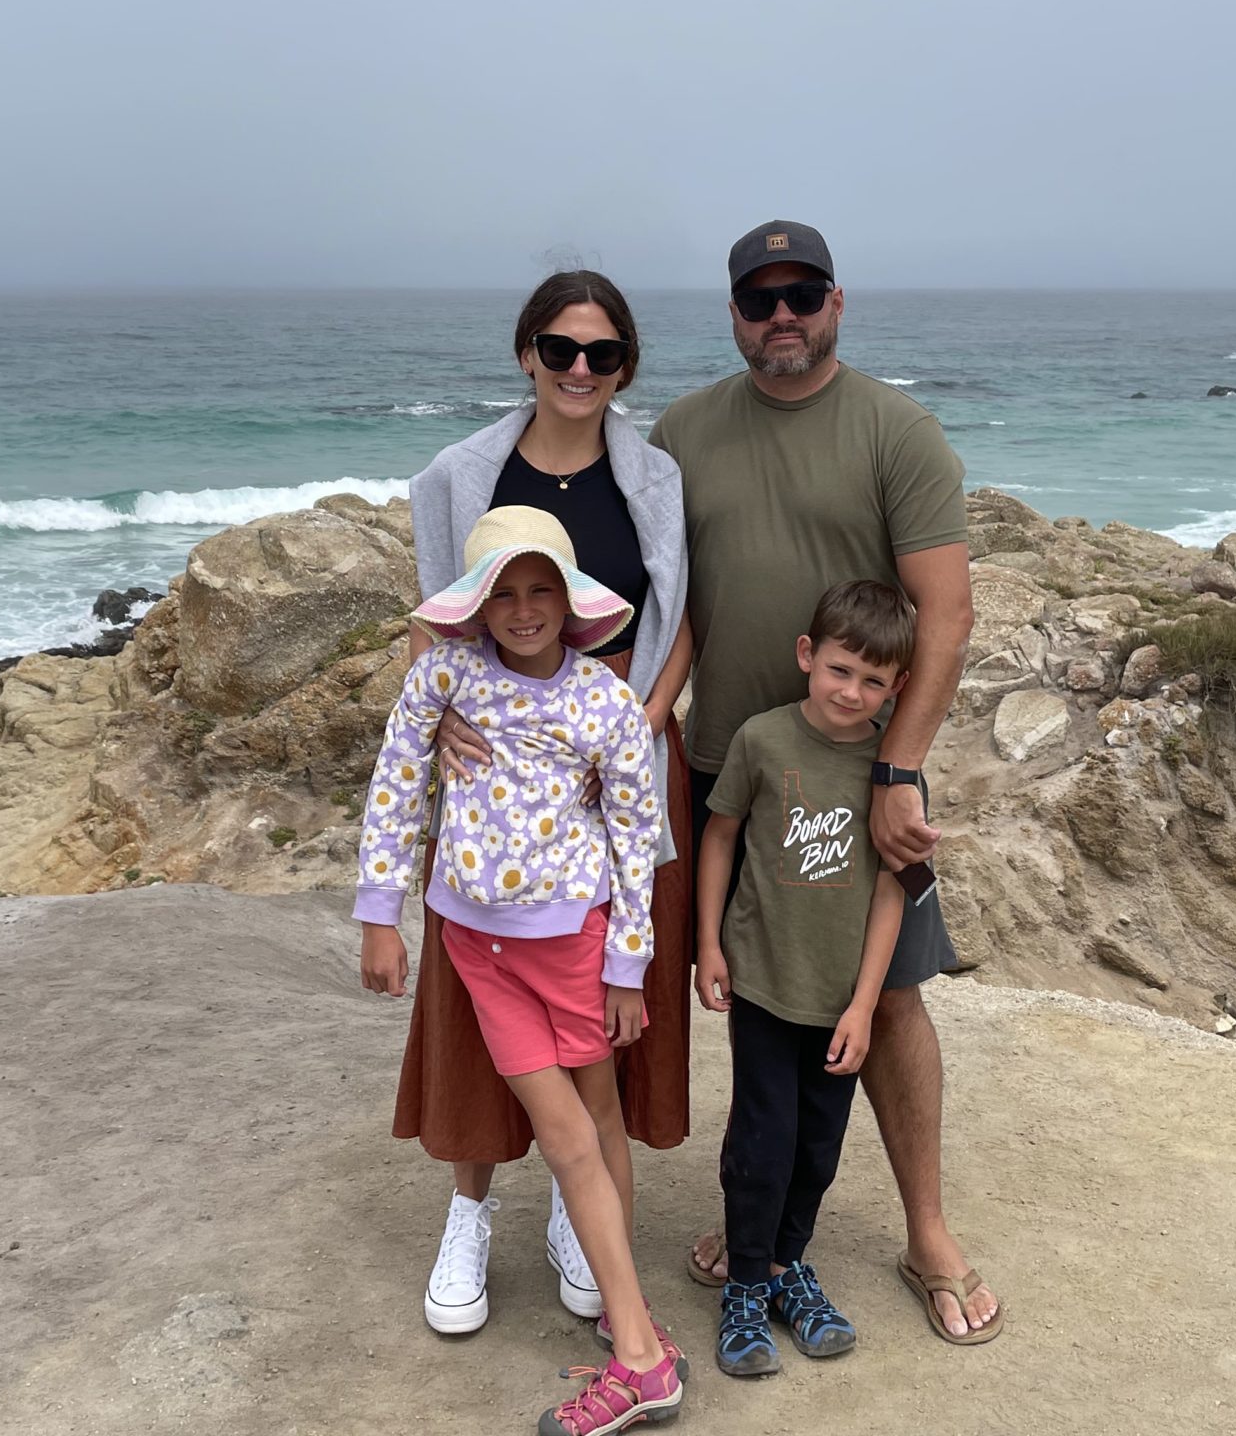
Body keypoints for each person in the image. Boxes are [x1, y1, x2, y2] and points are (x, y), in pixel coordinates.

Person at [650, 218, 1003, 1346]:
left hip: (863, 778)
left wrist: (898, 769)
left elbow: (946, 615)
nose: (782, 315)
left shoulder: (897, 431)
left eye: (802, 293)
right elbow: (663, 602)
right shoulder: (681, 432)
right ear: (734, 314)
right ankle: (758, 1232)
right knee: (756, 993)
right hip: (730, 766)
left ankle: (926, 1232)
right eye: (760, 298)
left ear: (836, 303)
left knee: (887, 993)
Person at [399, 271, 697, 1339]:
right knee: (477, 990)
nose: (579, 369)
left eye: (602, 353)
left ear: (625, 366)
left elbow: (679, 616)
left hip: (618, 754)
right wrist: (440, 719)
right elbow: (435, 619)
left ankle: (585, 1207)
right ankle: (468, 1213)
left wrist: (641, 723)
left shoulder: (654, 477)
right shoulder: (460, 474)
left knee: (599, 989)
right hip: (495, 778)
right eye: (560, 349)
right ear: (526, 353)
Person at [355, 506, 687, 1435]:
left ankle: (634, 1344)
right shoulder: (444, 676)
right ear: (476, 606)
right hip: (476, 947)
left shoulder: (604, 701)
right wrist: (381, 915)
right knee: (568, 1130)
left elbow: (637, 834)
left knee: (592, 1123)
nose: (524, 609)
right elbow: (396, 783)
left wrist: (628, 964)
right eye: (502, 593)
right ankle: (638, 1339)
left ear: (571, 600)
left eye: (542, 589)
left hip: (573, 946)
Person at [696, 581, 912, 1380]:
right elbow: (720, 837)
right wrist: (709, 945)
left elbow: (893, 889)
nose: (851, 692)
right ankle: (745, 1285)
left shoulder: (892, 772)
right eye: (839, 670)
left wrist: (865, 1004)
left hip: (839, 1000)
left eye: (872, 681)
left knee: (818, 1147)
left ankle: (787, 1268)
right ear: (807, 657)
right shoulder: (760, 740)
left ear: (896, 687)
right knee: (763, 1140)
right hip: (762, 982)